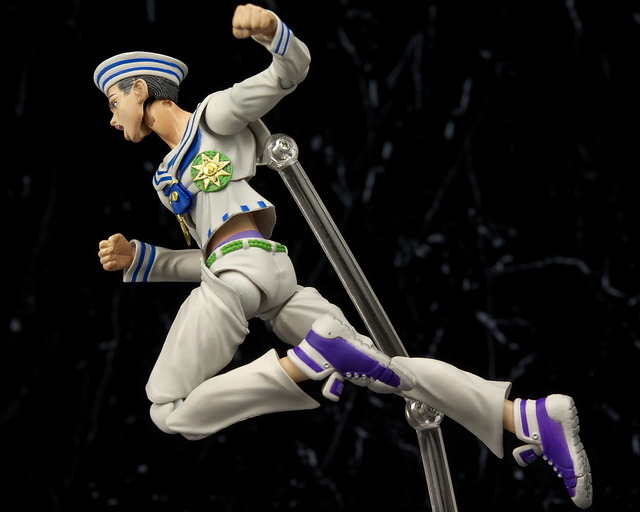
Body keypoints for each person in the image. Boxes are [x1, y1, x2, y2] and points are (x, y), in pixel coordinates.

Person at [94, 4, 592, 508]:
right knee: (388, 371)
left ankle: (307, 363)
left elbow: (287, 73)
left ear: (141, 90)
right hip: (266, 277)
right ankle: (527, 418)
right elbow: (206, 253)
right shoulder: (167, 175)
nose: (112, 118)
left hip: (242, 272)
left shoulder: (214, 117)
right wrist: (143, 259)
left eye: (114, 102)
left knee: (167, 408)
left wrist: (273, 33)